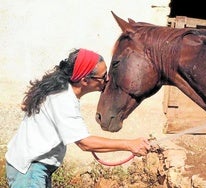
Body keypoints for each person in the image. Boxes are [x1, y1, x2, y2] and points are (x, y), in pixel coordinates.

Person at [5, 48, 151, 188]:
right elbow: (85, 143)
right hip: (30, 170)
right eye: (103, 76)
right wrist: (130, 144)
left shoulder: (63, 92)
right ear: (84, 80)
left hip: (31, 167)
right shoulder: (62, 99)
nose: (107, 80)